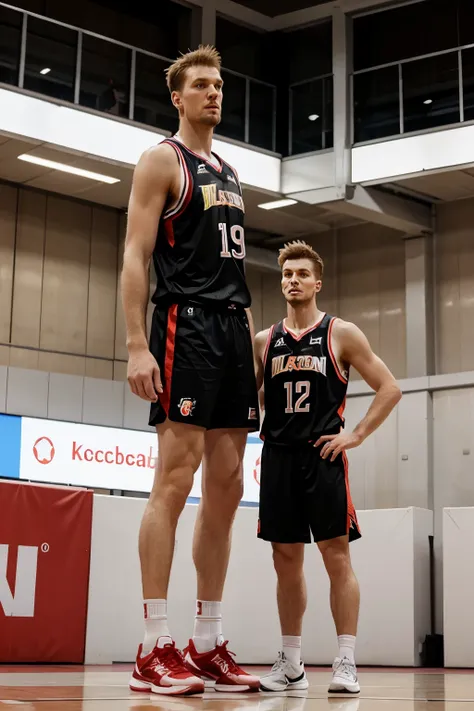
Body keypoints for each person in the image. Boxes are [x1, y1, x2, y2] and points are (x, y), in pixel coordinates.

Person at [121, 45, 260, 696]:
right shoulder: (160, 160)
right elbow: (134, 253)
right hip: (185, 324)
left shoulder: (231, 170)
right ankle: (153, 645)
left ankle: (206, 643)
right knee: (173, 481)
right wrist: (134, 343)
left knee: (228, 488)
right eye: (201, 85)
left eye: (219, 85)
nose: (214, 94)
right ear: (178, 97)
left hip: (232, 327)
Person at [254, 241, 402, 695]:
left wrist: (354, 435)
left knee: (336, 557)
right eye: (286, 275)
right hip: (278, 457)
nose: (292, 280)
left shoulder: (341, 333)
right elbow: (245, 398)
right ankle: (292, 663)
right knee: (285, 561)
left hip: (323, 458)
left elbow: (389, 388)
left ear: (318, 282)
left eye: (301, 274)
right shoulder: (265, 340)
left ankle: (345, 660)